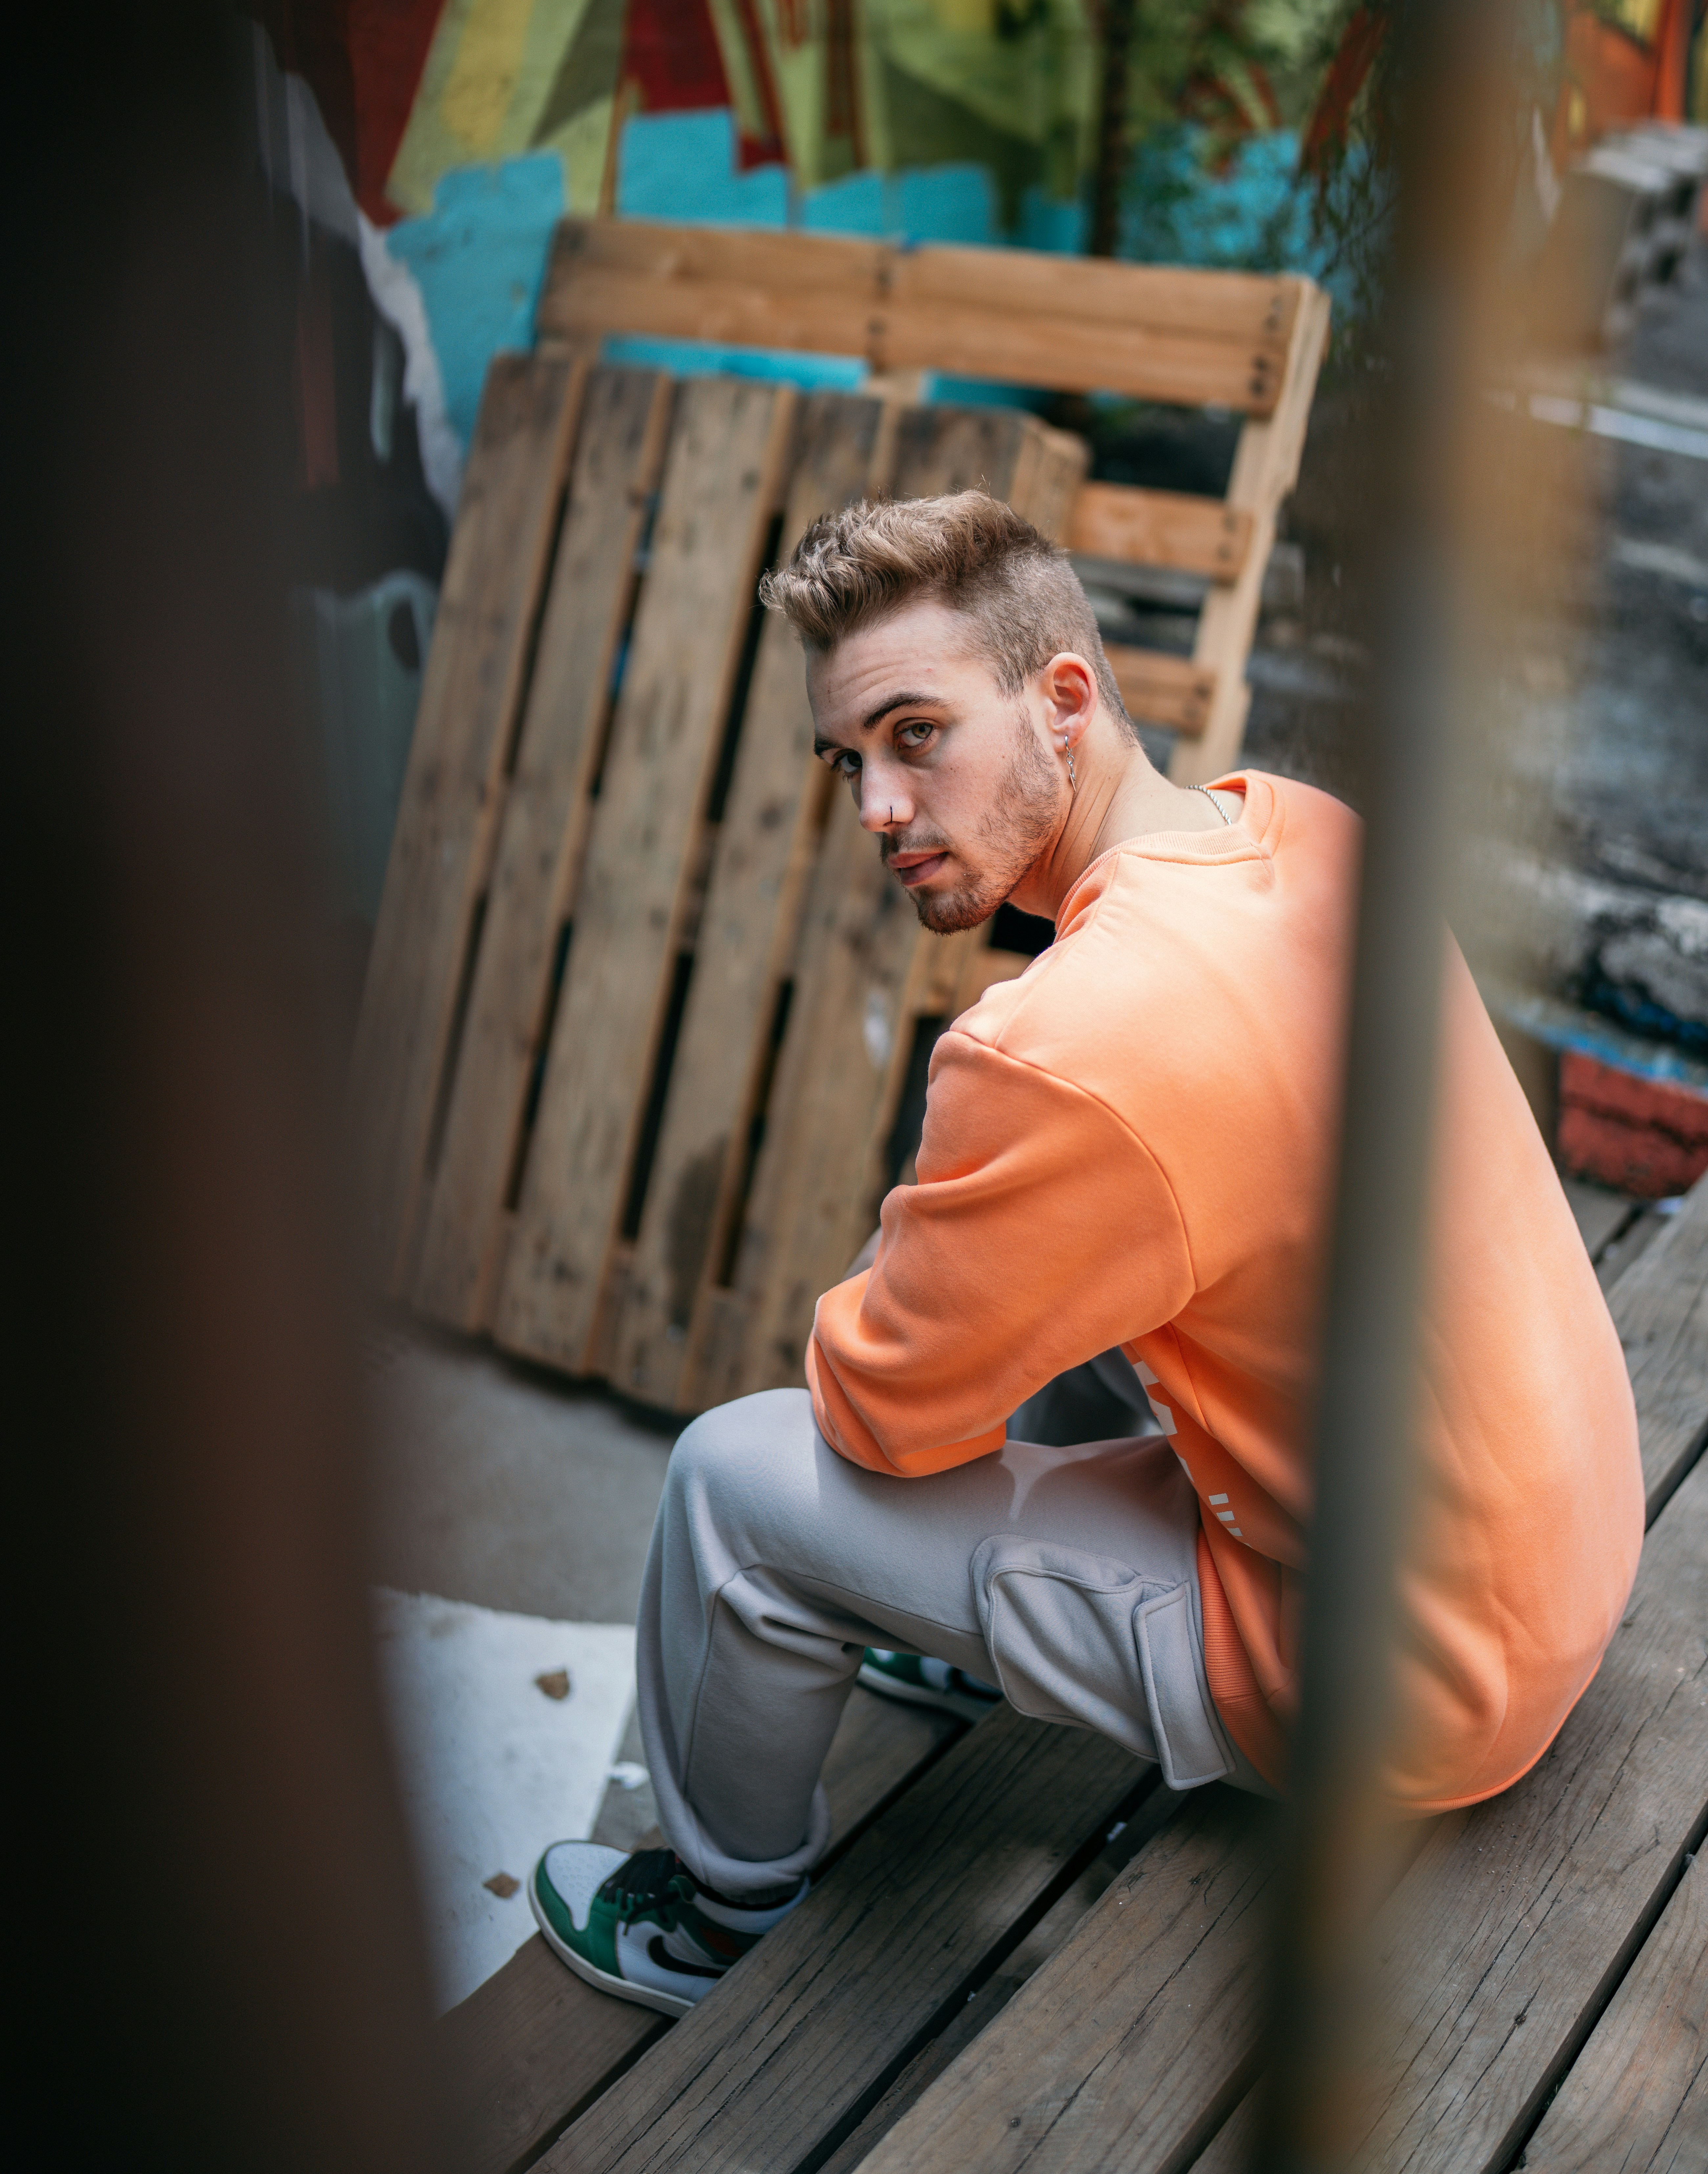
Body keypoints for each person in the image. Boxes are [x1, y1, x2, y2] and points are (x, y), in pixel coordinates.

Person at [529, 491, 1644, 2016]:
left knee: (735, 1486)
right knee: (1101, 1310)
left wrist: (921, 1230)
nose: (872, 804)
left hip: (1414, 1677)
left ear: (1064, 698)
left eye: (918, 732)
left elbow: (880, 1409)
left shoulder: (1067, 1047)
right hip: (1557, 1545)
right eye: (848, 758)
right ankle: (949, 1634)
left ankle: (715, 1914)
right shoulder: (1305, 832)